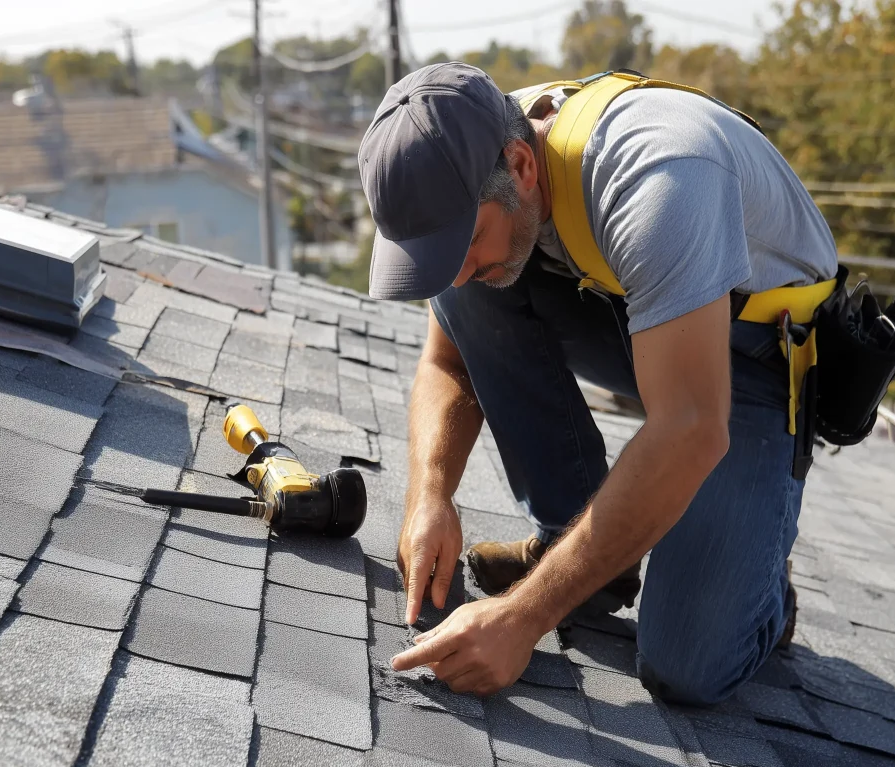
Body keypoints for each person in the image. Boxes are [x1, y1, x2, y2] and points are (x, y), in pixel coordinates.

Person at [357, 62, 838, 705]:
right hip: (640, 307)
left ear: (523, 165)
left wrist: (520, 618)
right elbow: (448, 362)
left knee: (687, 667)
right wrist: (429, 498)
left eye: (466, 241)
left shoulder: (660, 180)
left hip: (753, 353)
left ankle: (760, 589)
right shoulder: (491, 154)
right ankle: (577, 551)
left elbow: (691, 429)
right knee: (472, 292)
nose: (460, 267)